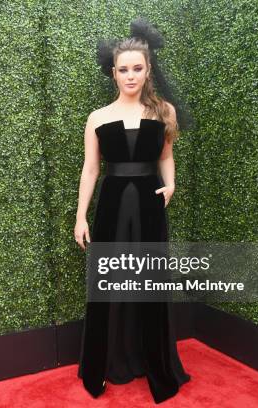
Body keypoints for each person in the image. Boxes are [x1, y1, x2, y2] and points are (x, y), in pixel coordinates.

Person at [74, 18, 192, 404]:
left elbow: (167, 156)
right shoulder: (97, 117)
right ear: (113, 72)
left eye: (137, 68)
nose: (130, 75)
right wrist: (80, 217)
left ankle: (152, 361)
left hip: (148, 204)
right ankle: (107, 363)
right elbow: (91, 169)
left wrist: (170, 184)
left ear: (148, 69)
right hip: (110, 205)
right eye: (123, 69)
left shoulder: (164, 112)